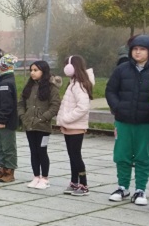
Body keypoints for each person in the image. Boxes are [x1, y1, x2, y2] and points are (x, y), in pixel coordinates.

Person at [105, 35, 149, 205]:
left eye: (142, 49)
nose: (138, 52)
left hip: (147, 122)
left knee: (142, 156)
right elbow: (110, 91)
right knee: (122, 155)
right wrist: (118, 107)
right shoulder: (122, 69)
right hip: (124, 121)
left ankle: (140, 190)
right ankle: (122, 187)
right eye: (135, 49)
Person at [18, 60, 61, 190]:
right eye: (31, 70)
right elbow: (21, 103)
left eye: (36, 70)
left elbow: (55, 106)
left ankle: (45, 178)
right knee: (33, 151)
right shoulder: (29, 87)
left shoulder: (51, 88)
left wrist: (43, 118)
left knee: (42, 151)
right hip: (29, 125)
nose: (32, 73)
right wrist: (23, 116)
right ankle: (36, 176)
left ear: (44, 71)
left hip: (43, 127)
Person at [56, 55, 94, 196]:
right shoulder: (73, 83)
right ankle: (74, 182)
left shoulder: (79, 85)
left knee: (76, 156)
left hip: (75, 126)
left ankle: (83, 184)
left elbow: (82, 107)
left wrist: (66, 118)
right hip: (69, 127)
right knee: (72, 155)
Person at [0, 53, 19, 182]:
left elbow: (6, 105)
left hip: (5, 122)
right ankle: (2, 168)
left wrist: (1, 119)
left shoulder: (6, 83)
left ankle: (9, 170)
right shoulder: (3, 82)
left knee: (8, 147)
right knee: (1, 147)